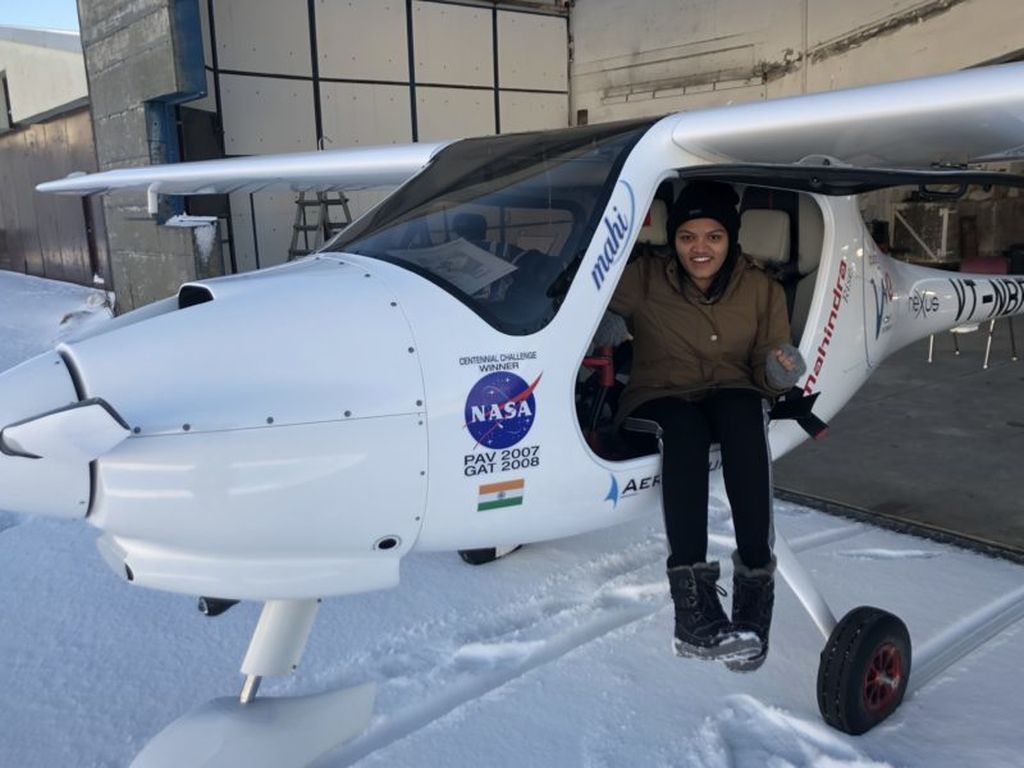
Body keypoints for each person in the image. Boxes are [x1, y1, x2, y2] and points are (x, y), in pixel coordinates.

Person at [609, 180, 805, 670]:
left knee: (746, 411)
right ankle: (693, 615)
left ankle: (754, 599)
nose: (700, 248)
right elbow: (593, 308)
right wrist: (602, 328)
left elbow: (766, 367)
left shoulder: (762, 288)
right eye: (687, 236)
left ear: (731, 239)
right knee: (685, 430)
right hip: (658, 397)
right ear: (673, 240)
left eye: (713, 236)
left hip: (729, 391)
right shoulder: (644, 278)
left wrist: (779, 371)